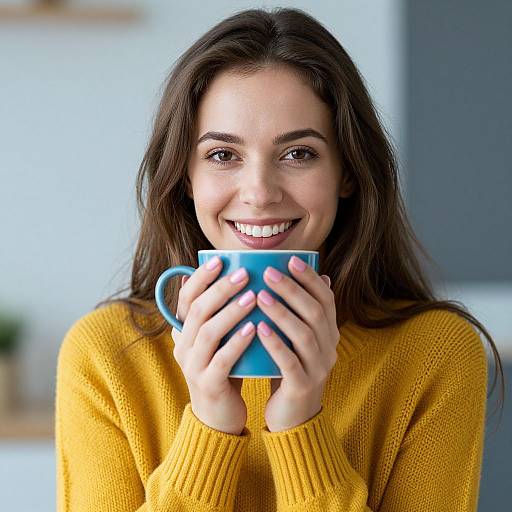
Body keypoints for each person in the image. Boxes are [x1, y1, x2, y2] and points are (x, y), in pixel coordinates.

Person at [55, 7, 504, 511]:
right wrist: (209, 426)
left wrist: (300, 425)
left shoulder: (435, 355)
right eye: (223, 155)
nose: (260, 193)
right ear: (186, 178)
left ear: (348, 172)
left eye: (299, 154)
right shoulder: (105, 357)